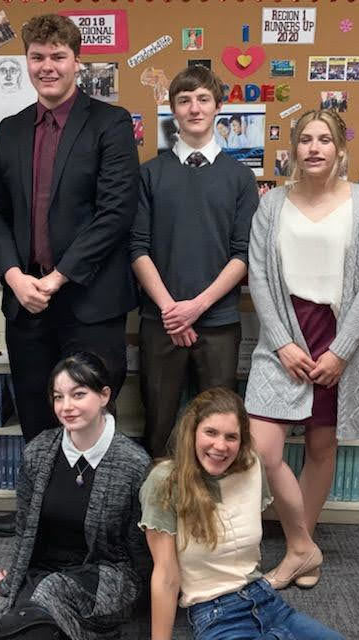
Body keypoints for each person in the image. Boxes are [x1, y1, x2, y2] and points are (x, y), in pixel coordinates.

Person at [0, 14, 139, 537]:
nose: (47, 66)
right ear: (26, 61)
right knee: (35, 408)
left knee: (91, 412)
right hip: (25, 300)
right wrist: (14, 276)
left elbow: (116, 213)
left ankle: (94, 520)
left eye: (57, 56)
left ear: (77, 62)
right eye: (37, 56)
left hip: (89, 301)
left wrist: (56, 279)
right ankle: (39, 515)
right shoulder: (9, 131)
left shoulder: (110, 123)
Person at [245, 109, 359, 589]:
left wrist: (341, 352)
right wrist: (283, 343)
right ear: (294, 148)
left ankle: (297, 551)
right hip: (283, 337)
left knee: (321, 446)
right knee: (264, 449)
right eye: (305, 139)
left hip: (337, 337)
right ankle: (305, 549)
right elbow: (259, 278)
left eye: (324, 139)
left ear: (340, 148)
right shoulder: (272, 205)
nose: (314, 148)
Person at [139, 387, 344, 640]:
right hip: (216, 615)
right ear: (192, 432)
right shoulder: (165, 480)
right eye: (210, 432)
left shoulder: (252, 466)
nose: (220, 446)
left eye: (231, 437)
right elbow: (166, 577)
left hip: (267, 600)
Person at [130, 66, 258, 458]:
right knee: (159, 427)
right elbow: (137, 248)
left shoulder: (240, 178)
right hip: (161, 322)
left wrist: (196, 308)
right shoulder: (149, 174)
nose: (194, 108)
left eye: (203, 99)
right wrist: (172, 310)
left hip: (218, 324)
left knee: (219, 433)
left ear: (218, 106)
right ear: (173, 110)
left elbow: (243, 254)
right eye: (184, 100)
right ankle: (158, 499)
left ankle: (212, 498)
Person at [0, 352, 151, 640]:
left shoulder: (133, 463)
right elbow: (25, 529)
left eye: (78, 394)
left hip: (105, 577)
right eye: (58, 397)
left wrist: (147, 598)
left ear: (104, 395)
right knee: (22, 623)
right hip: (44, 572)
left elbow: (140, 546)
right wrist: (12, 580)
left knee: (36, 610)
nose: (66, 407)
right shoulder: (38, 452)